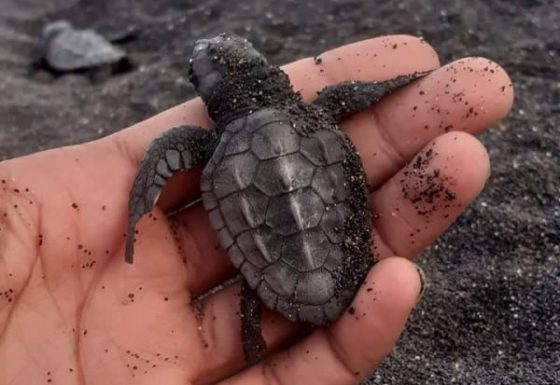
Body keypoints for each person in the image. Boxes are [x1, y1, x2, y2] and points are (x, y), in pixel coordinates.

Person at [0, 35, 512, 384]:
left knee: (253, 287)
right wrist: (400, 82)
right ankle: (266, 316)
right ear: (267, 72)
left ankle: (254, 325)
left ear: (208, 94)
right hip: (339, 257)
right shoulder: (318, 110)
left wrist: (136, 220)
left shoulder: (201, 145)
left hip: (273, 269)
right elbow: (358, 95)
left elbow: (164, 157)